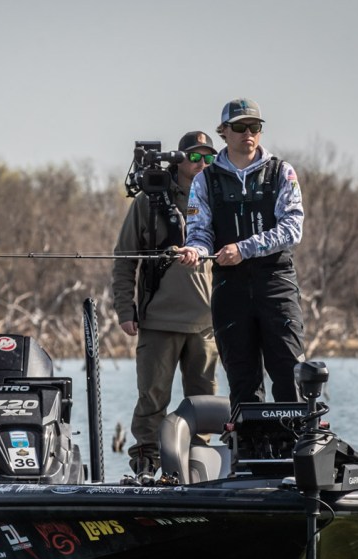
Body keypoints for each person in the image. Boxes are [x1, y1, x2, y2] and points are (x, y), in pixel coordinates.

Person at [175, 98, 306, 409]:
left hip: (276, 283)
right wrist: (195, 251)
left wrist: (244, 249)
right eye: (239, 127)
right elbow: (200, 232)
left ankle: (295, 437)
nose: (248, 133)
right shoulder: (204, 180)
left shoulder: (282, 172)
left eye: (254, 126)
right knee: (242, 379)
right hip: (229, 287)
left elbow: (292, 228)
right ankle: (250, 439)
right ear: (224, 131)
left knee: (289, 373)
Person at [112, 131, 219, 484]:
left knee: (204, 399)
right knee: (152, 398)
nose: (202, 164)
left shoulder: (217, 196)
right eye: (195, 156)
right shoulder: (149, 200)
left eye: (209, 157)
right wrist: (125, 309)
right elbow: (124, 258)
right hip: (158, 320)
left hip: (206, 323)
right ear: (179, 159)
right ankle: (146, 464)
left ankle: (198, 465)